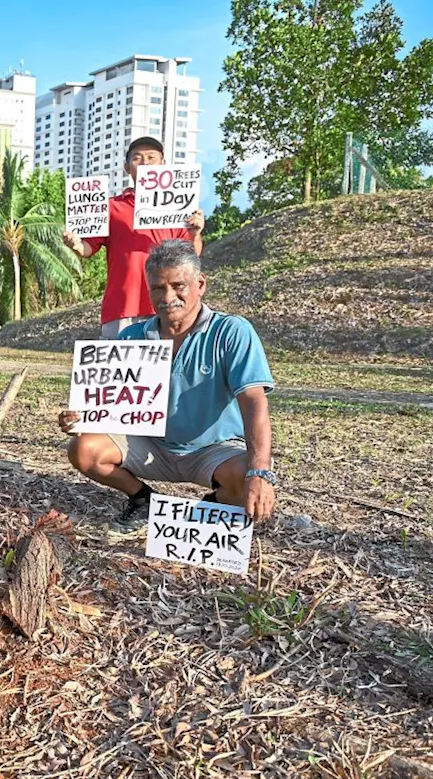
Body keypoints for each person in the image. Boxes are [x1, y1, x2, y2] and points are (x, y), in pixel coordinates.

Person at [59, 240, 277, 530]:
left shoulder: (232, 332)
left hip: (214, 450)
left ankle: (208, 507)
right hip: (151, 446)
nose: (167, 296)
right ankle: (142, 498)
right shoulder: (131, 338)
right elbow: (108, 406)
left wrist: (260, 472)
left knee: (246, 474)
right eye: (158, 288)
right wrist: (80, 418)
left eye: (178, 286)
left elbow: (254, 401)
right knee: (83, 449)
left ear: (200, 284)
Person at [63, 136, 206, 339]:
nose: (145, 163)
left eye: (151, 157)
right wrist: (76, 244)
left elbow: (192, 254)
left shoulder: (180, 207)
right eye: (137, 158)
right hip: (122, 306)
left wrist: (195, 234)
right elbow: (88, 249)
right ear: (127, 167)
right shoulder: (112, 206)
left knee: (167, 368)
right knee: (118, 369)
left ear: (163, 164)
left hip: (167, 303)